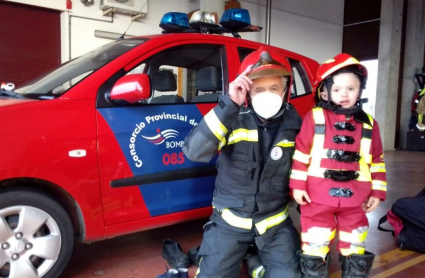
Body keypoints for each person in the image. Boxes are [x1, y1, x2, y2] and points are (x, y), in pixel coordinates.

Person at [183, 46, 302, 278]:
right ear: (248, 92)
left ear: (285, 90)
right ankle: (250, 257)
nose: (267, 94)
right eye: (259, 89)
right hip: (230, 224)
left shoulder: (295, 125)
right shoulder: (232, 118)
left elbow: (306, 173)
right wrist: (229, 104)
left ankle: (254, 258)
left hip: (274, 225)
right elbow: (194, 151)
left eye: (274, 88)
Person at [289, 53, 387, 278]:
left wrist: (377, 192)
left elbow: (377, 160)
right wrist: (298, 186)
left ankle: (354, 273)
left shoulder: (370, 124)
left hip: (356, 199)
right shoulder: (314, 118)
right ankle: (314, 273)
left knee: (355, 240)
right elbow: (301, 154)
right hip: (316, 195)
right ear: (324, 92)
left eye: (351, 89)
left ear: (360, 91)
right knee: (315, 239)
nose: (344, 94)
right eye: (337, 89)